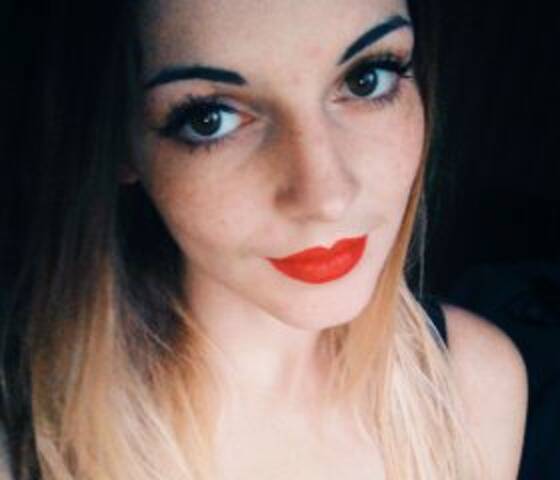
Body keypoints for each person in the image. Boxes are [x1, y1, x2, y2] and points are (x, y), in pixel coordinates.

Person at [0, 0, 527, 478]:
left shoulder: (474, 387)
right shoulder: (22, 442)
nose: (326, 197)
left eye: (367, 79)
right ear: (118, 142)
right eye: (210, 119)